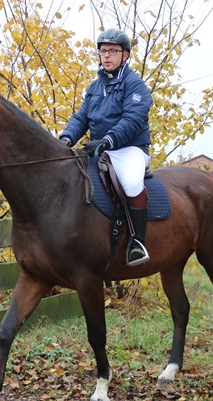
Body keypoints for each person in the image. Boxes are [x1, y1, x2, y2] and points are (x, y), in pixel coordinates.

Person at [59, 28, 153, 266]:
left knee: (132, 183)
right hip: (100, 149)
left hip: (129, 149)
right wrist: (66, 139)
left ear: (125, 55)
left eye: (112, 51)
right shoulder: (94, 87)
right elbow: (81, 117)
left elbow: (132, 120)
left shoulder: (135, 86)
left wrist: (108, 140)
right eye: (103, 51)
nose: (107, 55)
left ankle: (137, 243)